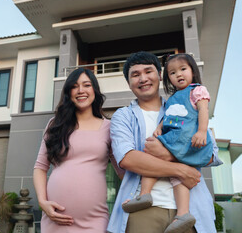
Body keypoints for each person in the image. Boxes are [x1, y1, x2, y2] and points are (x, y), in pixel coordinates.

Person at [107, 51, 222, 233]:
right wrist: (181, 170)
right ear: (129, 84)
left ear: (160, 76)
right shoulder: (123, 116)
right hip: (143, 210)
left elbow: (212, 154)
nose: (143, 78)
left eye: (148, 72)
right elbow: (127, 159)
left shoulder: (184, 105)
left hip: (191, 209)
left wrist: (168, 153)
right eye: (135, 75)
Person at [34, 68, 123, 232]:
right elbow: (40, 167)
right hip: (55, 219)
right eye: (75, 86)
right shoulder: (55, 124)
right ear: (69, 92)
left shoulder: (109, 127)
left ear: (94, 90)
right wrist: (42, 202)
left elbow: (122, 171)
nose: (81, 90)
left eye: (86, 85)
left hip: (94, 221)